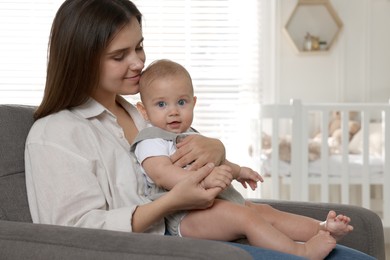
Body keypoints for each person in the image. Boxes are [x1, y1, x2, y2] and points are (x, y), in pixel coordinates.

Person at [24, 0, 375, 259]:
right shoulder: (55, 134)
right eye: (120, 56)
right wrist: (173, 202)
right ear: (82, 59)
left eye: (140, 46)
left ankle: (321, 233)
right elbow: (70, 235)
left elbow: (184, 149)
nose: (139, 62)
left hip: (208, 227)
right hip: (162, 245)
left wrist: (216, 148)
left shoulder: (140, 113)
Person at [132, 59, 353, 259]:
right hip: (185, 216)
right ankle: (301, 251)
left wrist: (238, 171)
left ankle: (322, 228)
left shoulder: (190, 134)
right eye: (161, 104)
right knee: (245, 217)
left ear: (193, 102)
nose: (173, 112)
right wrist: (203, 181)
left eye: (181, 102)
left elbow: (213, 162)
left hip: (219, 203)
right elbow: (161, 173)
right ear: (143, 111)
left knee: (264, 211)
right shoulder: (151, 140)